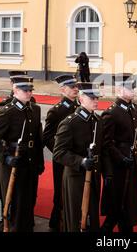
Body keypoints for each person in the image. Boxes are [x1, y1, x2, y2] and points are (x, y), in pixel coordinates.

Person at [0, 76, 44, 232]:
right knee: (15, 202)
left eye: (31, 90)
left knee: (29, 200)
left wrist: (40, 161)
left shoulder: (35, 109)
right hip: (12, 163)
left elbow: (37, 139)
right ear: (15, 90)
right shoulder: (6, 112)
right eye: (26, 90)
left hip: (29, 161)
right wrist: (6, 157)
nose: (29, 93)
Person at [100, 73, 137, 233]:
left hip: (133, 161)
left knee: (128, 202)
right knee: (118, 202)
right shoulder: (111, 113)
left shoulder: (136, 109)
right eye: (129, 88)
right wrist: (121, 158)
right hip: (118, 166)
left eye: (133, 87)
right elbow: (106, 144)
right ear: (118, 89)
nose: (133, 90)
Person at [53, 82, 105, 232]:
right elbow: (59, 153)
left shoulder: (97, 121)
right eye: (92, 98)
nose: (96, 101)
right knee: (76, 219)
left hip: (93, 176)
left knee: (92, 217)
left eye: (97, 98)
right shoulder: (70, 123)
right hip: (76, 177)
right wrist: (81, 161)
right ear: (81, 99)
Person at [43, 74, 80, 231]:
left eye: (76, 86)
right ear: (63, 89)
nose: (76, 89)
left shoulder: (79, 108)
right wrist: (61, 152)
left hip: (77, 158)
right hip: (62, 160)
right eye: (72, 87)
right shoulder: (56, 112)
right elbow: (47, 137)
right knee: (61, 194)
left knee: (75, 193)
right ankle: (56, 223)